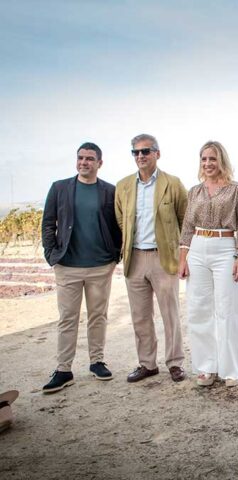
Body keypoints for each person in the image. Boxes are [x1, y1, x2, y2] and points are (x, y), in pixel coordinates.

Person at [41, 142, 121, 393]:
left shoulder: (110, 191)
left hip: (100, 266)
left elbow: (118, 224)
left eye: (89, 158)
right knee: (68, 318)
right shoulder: (59, 188)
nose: (84, 162)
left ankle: (97, 361)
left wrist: (114, 256)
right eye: (80, 158)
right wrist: (51, 255)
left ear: (99, 163)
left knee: (98, 316)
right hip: (67, 266)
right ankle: (64, 369)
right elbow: (47, 224)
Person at [115, 134, 188, 383]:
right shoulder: (123, 186)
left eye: (146, 151)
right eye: (135, 152)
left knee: (170, 314)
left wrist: (183, 258)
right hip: (134, 259)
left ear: (158, 153)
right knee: (140, 316)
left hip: (163, 259)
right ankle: (147, 364)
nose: (140, 156)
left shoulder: (173, 183)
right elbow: (120, 220)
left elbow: (185, 221)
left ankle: (175, 363)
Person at [178, 141, 238, 387]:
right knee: (198, 310)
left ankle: (230, 370)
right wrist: (182, 259)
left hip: (225, 248)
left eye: (212, 158)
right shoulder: (194, 191)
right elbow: (187, 226)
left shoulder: (236, 190)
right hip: (197, 249)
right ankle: (206, 367)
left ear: (222, 161)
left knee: (226, 309)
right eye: (204, 159)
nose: (208, 163)